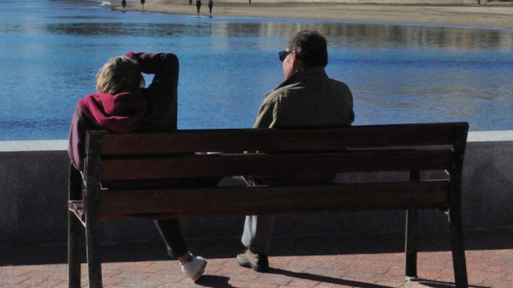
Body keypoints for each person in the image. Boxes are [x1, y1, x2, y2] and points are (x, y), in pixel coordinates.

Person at [68, 52, 208, 282]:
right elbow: (169, 61)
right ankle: (187, 259)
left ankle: (187, 260)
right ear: (137, 79)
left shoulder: (87, 109)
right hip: (169, 192)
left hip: (114, 198)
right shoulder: (159, 100)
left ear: (103, 78)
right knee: (168, 175)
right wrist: (130, 58)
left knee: (148, 180)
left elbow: (77, 159)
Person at [236, 30, 354, 273]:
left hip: (281, 180)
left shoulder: (278, 98)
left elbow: (252, 151)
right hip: (326, 175)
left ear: (295, 58)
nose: (283, 62)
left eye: (284, 56)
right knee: (263, 168)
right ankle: (255, 249)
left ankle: (256, 250)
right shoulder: (342, 92)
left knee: (258, 171)